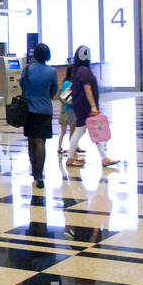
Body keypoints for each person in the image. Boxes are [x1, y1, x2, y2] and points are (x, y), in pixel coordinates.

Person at [66, 45, 118, 168]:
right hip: (85, 107)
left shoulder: (79, 70)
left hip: (82, 106)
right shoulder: (84, 71)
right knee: (80, 130)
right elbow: (87, 87)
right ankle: (70, 158)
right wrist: (93, 106)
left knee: (90, 130)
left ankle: (104, 158)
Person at [22, 43, 59, 189]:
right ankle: (40, 175)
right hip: (44, 110)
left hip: (29, 109)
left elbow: (21, 84)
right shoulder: (52, 71)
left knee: (31, 140)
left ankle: (33, 169)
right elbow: (54, 89)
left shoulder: (28, 69)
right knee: (40, 142)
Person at [55, 60, 75, 155]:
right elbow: (66, 96)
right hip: (67, 110)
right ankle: (61, 147)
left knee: (70, 131)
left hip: (67, 109)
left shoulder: (67, 82)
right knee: (66, 131)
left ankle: (73, 147)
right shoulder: (67, 83)